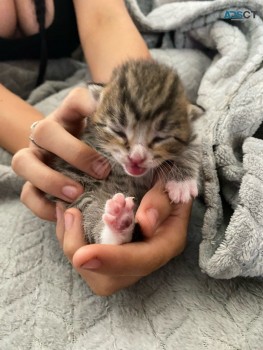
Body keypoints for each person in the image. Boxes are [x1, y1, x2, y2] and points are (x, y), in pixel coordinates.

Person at [1, 0, 192, 295]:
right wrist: (48, 147)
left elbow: (106, 21)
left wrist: (153, 111)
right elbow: (49, 148)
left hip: (107, 105)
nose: (138, 153)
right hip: (84, 141)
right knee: (80, 193)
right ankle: (112, 230)